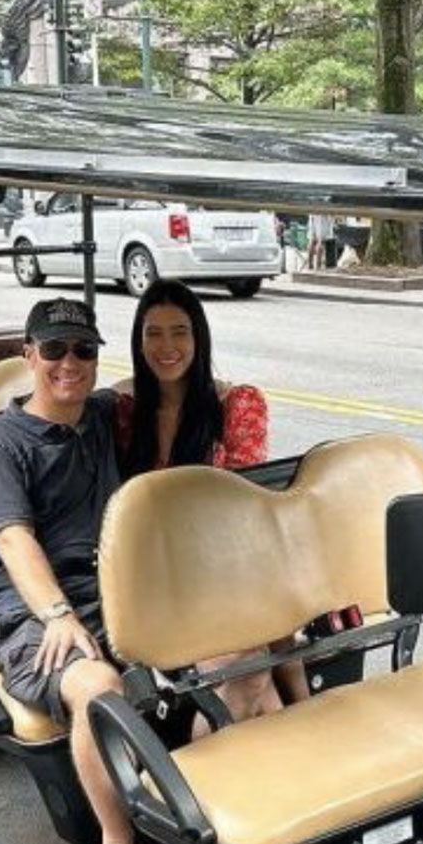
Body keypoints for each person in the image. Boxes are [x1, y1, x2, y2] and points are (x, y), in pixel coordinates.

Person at [0, 298, 136, 844]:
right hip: (36, 608)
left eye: (84, 350)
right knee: (96, 686)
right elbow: (12, 539)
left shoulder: (103, 415)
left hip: (122, 590)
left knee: (236, 649)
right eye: (55, 350)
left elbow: (172, 379)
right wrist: (59, 613)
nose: (70, 363)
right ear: (28, 355)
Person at [114, 280, 299, 727]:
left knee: (251, 672)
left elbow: (241, 508)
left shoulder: (235, 405)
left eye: (180, 331)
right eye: (152, 333)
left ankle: (222, 776)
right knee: (255, 679)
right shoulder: (124, 413)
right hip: (157, 577)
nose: (166, 346)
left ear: (199, 337)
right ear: (139, 341)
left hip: (228, 567)